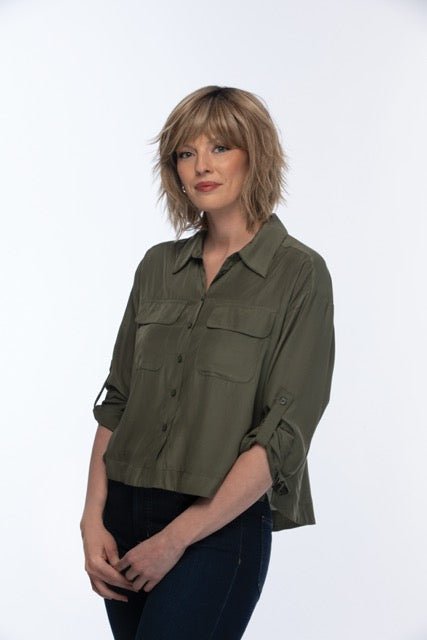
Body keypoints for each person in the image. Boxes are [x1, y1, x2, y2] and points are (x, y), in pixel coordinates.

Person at [79, 85, 335, 640]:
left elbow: (283, 435)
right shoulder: (157, 267)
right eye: (186, 152)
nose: (201, 166)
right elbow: (118, 400)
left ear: (255, 154)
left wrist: (176, 539)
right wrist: (91, 518)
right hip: (123, 516)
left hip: (218, 528)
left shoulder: (299, 274)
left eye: (220, 147)